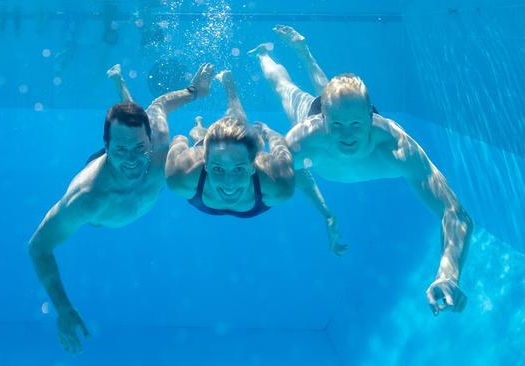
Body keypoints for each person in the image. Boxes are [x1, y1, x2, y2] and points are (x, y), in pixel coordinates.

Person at [250, 25, 473, 315]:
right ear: (322, 119)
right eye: (337, 125)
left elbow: (455, 213)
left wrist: (448, 274)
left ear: (371, 117)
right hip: (317, 117)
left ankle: (304, 51)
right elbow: (260, 175)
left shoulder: (397, 147)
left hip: (343, 116)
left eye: (356, 124)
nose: (347, 135)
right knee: (286, 88)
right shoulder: (304, 140)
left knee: (328, 89)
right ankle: (263, 57)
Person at [27, 63, 216, 353]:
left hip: (139, 165)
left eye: (140, 148)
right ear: (105, 144)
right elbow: (38, 247)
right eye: (120, 150)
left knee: (139, 111)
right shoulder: (88, 197)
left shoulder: (160, 145)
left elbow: (160, 104)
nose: (131, 160)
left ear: (150, 140)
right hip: (104, 202)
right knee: (131, 116)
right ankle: (118, 85)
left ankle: (120, 83)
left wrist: (194, 92)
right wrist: (62, 308)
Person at [165, 70, 295, 218]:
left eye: (238, 169)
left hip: (225, 153)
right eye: (218, 169)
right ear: (205, 164)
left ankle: (231, 90)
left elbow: (280, 145)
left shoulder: (279, 183)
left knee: (238, 120)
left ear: (253, 166)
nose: (229, 184)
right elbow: (179, 139)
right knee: (198, 138)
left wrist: (268, 132)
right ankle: (200, 128)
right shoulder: (180, 175)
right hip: (206, 153)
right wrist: (179, 141)